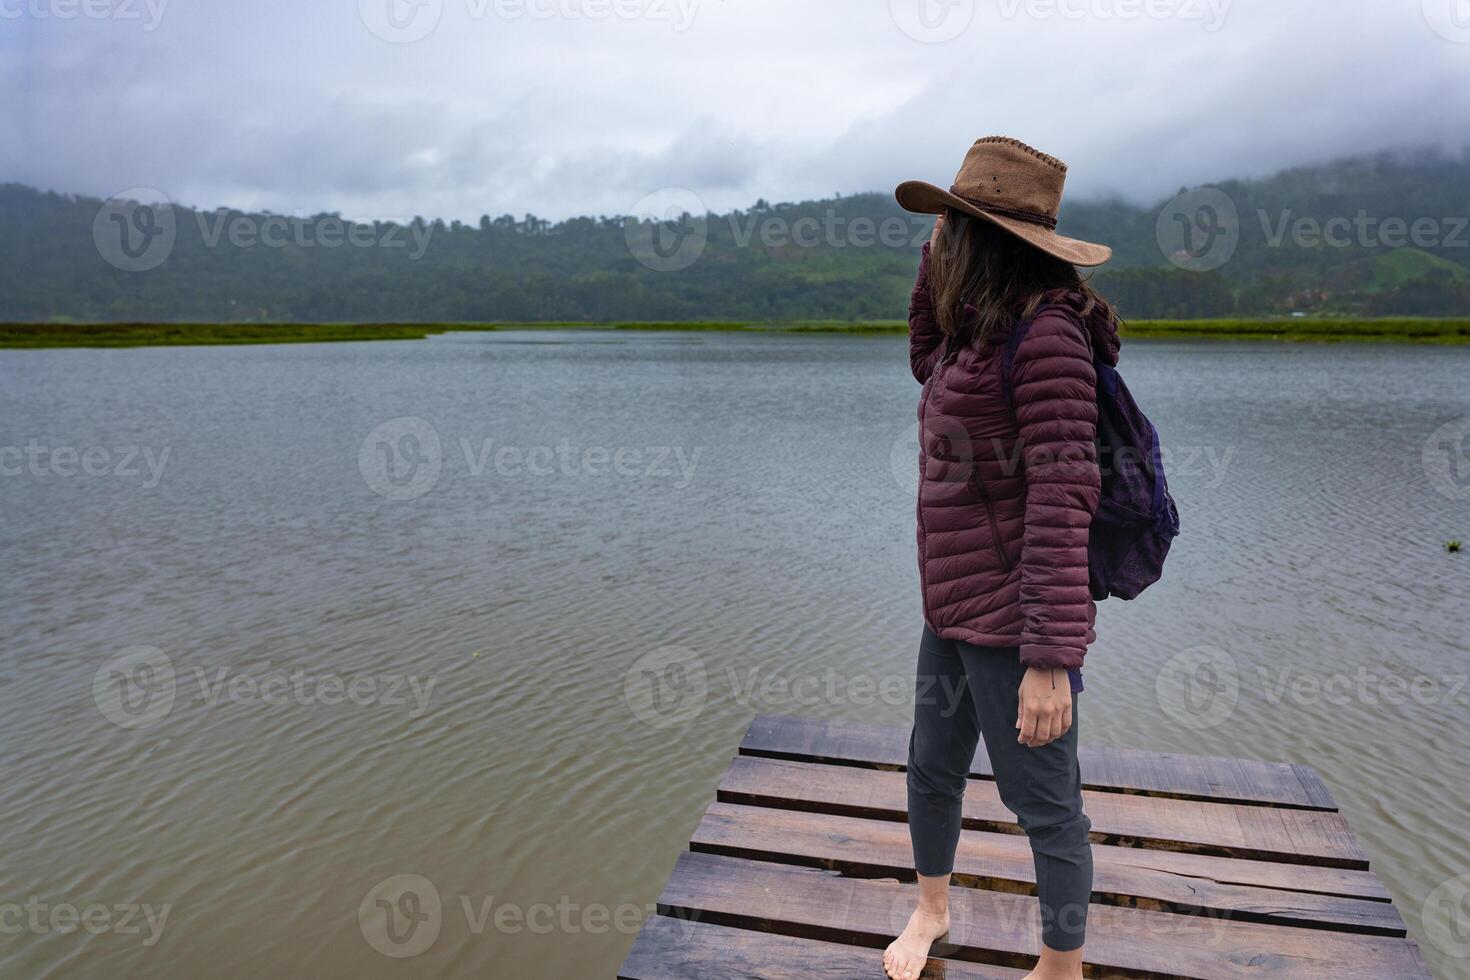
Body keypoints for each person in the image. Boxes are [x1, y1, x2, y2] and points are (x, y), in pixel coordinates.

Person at [883, 137, 1121, 980]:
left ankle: (1063, 968)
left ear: (985, 240)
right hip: (949, 603)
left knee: (1045, 806)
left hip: (1018, 618)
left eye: (954, 227)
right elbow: (921, 353)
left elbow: (1065, 496)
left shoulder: (1047, 338)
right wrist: (932, 248)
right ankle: (933, 909)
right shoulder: (969, 336)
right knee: (930, 769)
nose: (943, 239)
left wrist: (1051, 658)